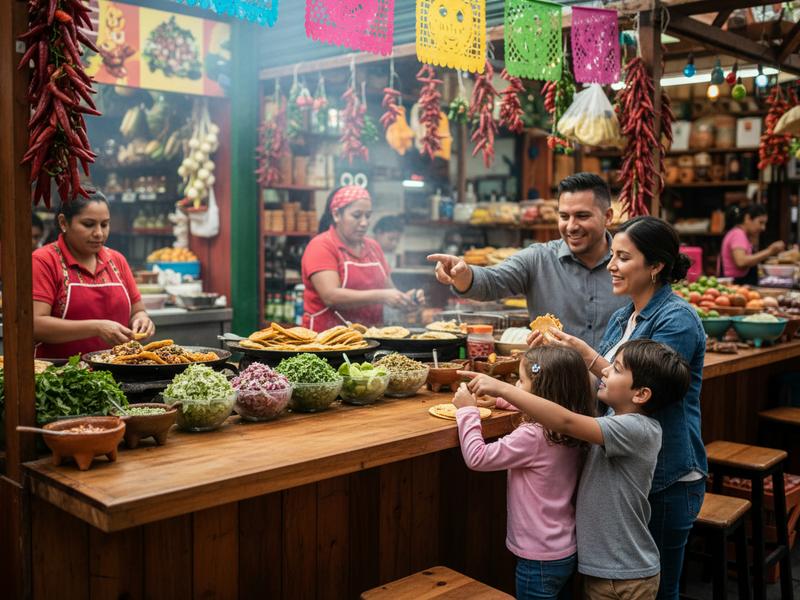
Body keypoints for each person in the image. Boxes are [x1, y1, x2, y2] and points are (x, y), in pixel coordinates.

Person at [529, 216, 706, 600]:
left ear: (656, 266)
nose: (610, 265)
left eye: (623, 258)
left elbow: (647, 391)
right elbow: (608, 383)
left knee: (660, 591)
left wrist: (583, 358)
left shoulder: (677, 319)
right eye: (612, 256)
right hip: (630, 477)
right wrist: (562, 358)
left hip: (667, 479)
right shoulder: (622, 316)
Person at [462, 339, 691, 600]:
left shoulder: (636, 430)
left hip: (623, 577)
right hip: (605, 570)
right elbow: (560, 411)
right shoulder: (613, 419)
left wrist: (503, 390)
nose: (604, 371)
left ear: (641, 394)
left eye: (615, 368)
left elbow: (565, 420)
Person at [453, 346, 593, 600]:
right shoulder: (576, 420)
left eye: (521, 380)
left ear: (540, 391)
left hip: (537, 559)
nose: (516, 385)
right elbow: (544, 404)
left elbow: (477, 457)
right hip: (564, 548)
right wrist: (498, 400)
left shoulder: (532, 435)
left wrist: (466, 411)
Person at [428, 173, 627, 348]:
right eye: (564, 216)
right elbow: (491, 281)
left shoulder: (631, 266)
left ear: (608, 217)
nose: (571, 226)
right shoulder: (538, 259)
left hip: (616, 388)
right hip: (549, 385)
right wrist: (463, 275)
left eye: (582, 216)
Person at [32, 191, 155, 358]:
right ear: (63, 223)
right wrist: (96, 328)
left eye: (104, 225)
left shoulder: (117, 260)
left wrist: (142, 320)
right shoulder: (44, 261)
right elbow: (35, 325)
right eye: (89, 224)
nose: (99, 233)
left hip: (116, 372)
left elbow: (137, 310)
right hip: (61, 375)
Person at [301, 186, 421, 331]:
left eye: (368, 216)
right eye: (357, 215)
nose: (364, 223)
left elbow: (389, 291)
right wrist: (382, 296)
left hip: (370, 338)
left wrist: (407, 300)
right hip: (326, 340)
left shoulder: (373, 248)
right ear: (336, 215)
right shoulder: (321, 246)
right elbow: (330, 296)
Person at [720, 204, 785, 284]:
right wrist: (770, 251)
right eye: (760, 222)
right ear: (747, 218)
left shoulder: (741, 234)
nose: (763, 228)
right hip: (736, 284)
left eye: (764, 224)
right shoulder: (738, 234)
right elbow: (741, 261)